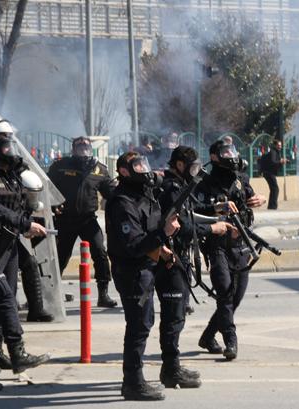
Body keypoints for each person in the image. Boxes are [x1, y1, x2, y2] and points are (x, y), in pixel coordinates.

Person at [105, 152, 186, 400]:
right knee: (139, 325)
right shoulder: (122, 202)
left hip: (147, 266)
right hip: (131, 271)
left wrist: (162, 250)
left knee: (155, 316)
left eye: (144, 164)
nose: (144, 169)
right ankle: (132, 382)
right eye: (137, 166)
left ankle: (158, 372)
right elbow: (134, 244)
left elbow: (147, 232)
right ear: (124, 171)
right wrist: (164, 233)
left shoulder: (143, 195)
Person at [155, 146, 236, 386]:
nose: (195, 171)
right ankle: (171, 370)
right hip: (170, 260)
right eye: (191, 167)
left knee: (176, 316)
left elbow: (190, 210)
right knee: (173, 318)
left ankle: (172, 367)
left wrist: (214, 209)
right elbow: (183, 227)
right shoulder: (171, 189)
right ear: (179, 165)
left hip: (176, 259)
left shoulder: (179, 186)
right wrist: (212, 228)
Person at [196, 141, 266, 360]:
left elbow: (250, 199)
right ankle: (230, 340)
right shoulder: (204, 182)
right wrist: (217, 208)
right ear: (214, 156)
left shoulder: (241, 178)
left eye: (232, 151)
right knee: (225, 293)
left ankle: (208, 335)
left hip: (241, 244)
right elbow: (195, 209)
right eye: (225, 152)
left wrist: (259, 199)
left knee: (236, 296)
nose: (231, 155)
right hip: (217, 245)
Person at [0, 120, 50, 374]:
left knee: (4, 299)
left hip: (7, 243)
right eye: (3, 141)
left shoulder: (13, 174)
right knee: (5, 298)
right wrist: (24, 224)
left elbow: (22, 202)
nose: (9, 147)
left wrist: (26, 223)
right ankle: (18, 353)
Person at [47, 137, 118, 308]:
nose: (83, 149)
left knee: (100, 252)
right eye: (79, 146)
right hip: (64, 219)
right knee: (60, 257)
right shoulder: (60, 166)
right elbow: (47, 187)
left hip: (87, 219)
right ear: (73, 149)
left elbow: (111, 193)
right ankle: (51, 295)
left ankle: (103, 293)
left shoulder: (99, 169)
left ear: (91, 148)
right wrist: (53, 206)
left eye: (86, 146)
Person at [260, 139, 286, 210]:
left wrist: (281, 162)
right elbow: (273, 162)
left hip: (270, 173)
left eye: (280, 145)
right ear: (275, 145)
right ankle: (273, 206)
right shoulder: (273, 152)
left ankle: (271, 206)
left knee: (274, 189)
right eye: (278, 145)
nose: (280, 147)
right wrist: (281, 162)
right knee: (275, 189)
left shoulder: (276, 152)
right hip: (269, 173)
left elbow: (275, 162)